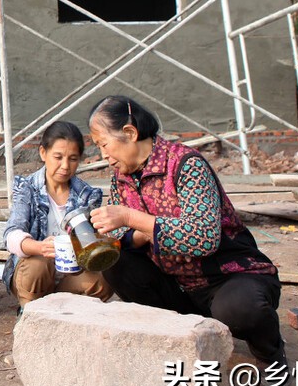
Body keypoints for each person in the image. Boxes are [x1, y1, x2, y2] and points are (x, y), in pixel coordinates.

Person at [87, 95, 286, 369]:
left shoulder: (186, 164)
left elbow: (203, 238)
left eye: (103, 144)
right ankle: (176, 337)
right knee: (117, 263)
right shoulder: (121, 178)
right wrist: (134, 229)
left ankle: (270, 354)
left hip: (227, 277)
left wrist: (132, 217)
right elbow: (129, 237)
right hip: (177, 284)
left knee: (239, 309)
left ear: (130, 133)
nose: (103, 155)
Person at [3, 121, 112, 309]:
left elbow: (91, 242)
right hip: (34, 275)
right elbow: (11, 234)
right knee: (38, 265)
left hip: (71, 277)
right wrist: (40, 247)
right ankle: (30, 312)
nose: (65, 166)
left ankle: (67, 314)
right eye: (58, 157)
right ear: (43, 153)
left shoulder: (87, 195)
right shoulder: (27, 187)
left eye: (72, 159)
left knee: (104, 279)